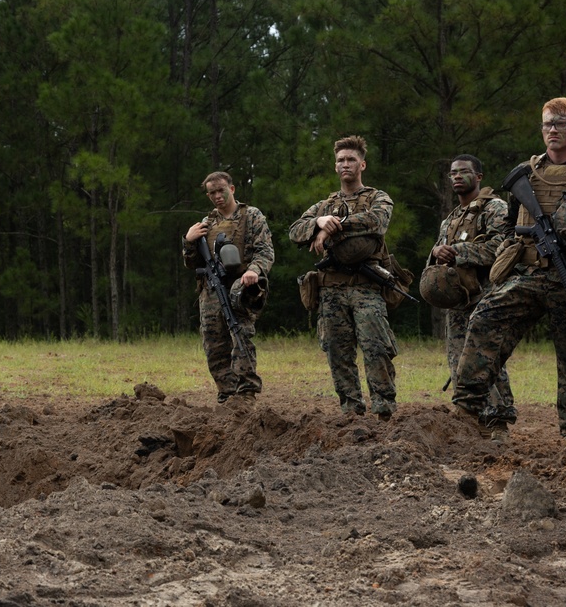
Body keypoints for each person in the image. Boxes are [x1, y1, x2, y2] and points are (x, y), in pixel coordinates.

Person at [453, 97, 566, 444]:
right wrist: (511, 250)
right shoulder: (527, 172)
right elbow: (509, 224)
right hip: (530, 275)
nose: (553, 129)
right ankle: (466, 411)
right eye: (547, 123)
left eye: (561, 124)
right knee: (485, 320)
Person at [289, 135, 398, 421]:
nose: (345, 164)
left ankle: (384, 412)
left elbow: (377, 222)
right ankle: (351, 413)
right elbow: (294, 232)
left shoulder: (377, 197)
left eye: (351, 159)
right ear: (335, 167)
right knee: (338, 353)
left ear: (362, 164)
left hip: (366, 288)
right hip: (331, 291)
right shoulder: (324, 205)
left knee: (376, 349)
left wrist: (331, 229)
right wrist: (316, 222)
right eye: (340, 160)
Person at [423, 154, 515, 443]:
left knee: (485, 359)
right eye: (452, 173)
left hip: (488, 297)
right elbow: (440, 251)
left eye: (464, 172)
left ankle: (499, 421)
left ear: (479, 177)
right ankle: (472, 419)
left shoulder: (494, 207)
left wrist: (459, 252)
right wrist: (437, 252)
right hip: (459, 300)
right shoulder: (450, 219)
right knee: (457, 359)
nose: (457, 177)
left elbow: (503, 245)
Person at [183, 171, 275, 404]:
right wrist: (189, 240)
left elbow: (265, 251)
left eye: (220, 190)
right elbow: (192, 263)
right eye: (211, 192)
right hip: (210, 291)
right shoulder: (206, 224)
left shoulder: (251, 216)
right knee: (214, 346)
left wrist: (254, 270)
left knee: (241, 337)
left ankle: (245, 396)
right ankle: (226, 395)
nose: (217, 196)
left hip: (240, 289)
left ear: (231, 189)